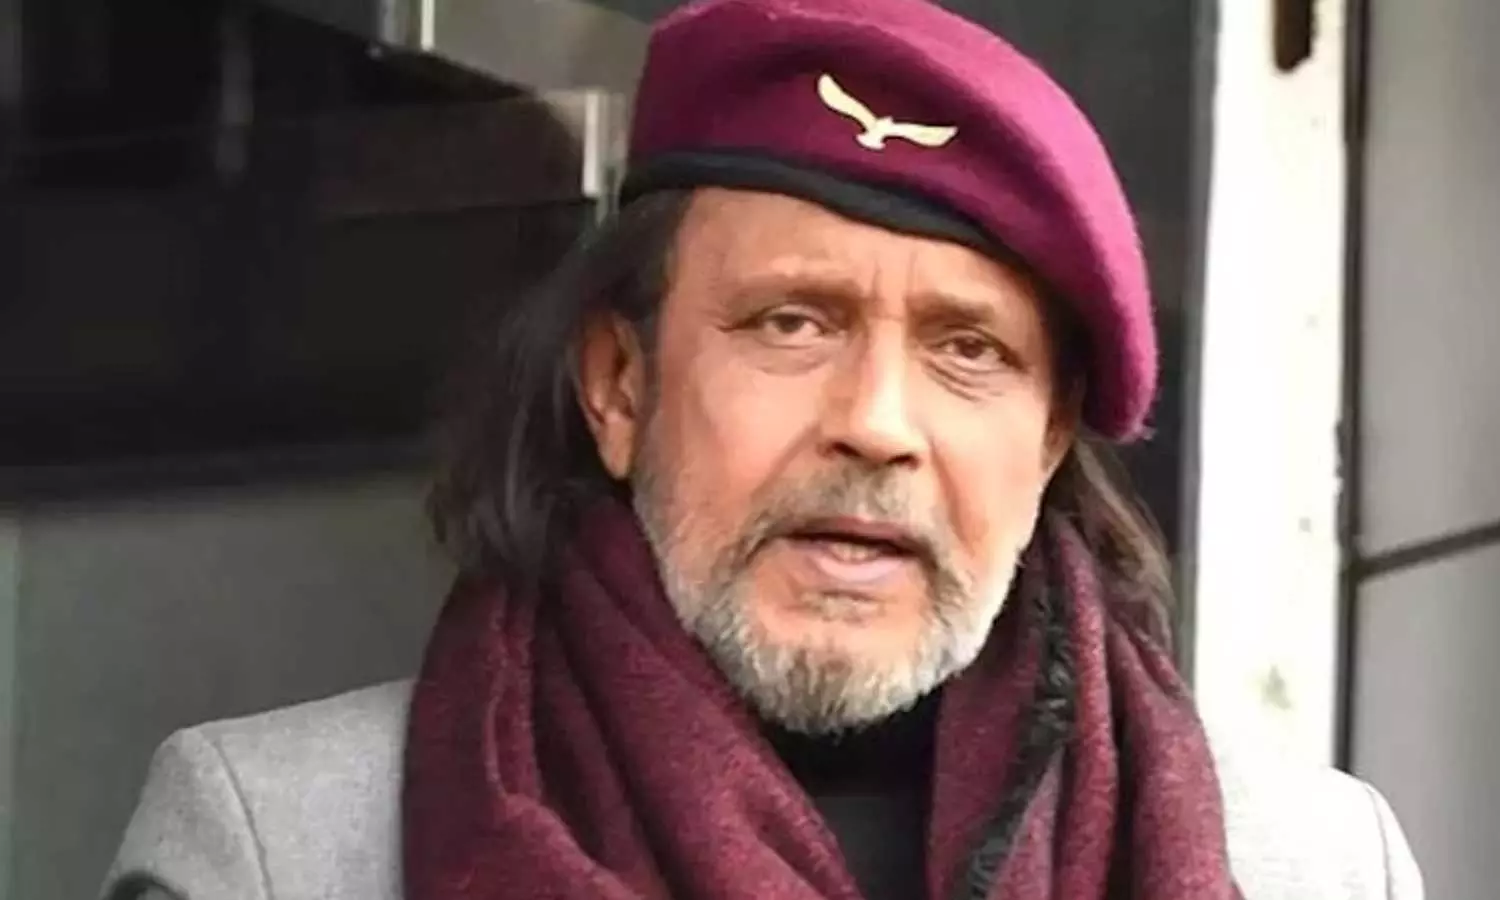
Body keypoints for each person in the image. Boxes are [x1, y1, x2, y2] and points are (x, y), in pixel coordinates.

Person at [100, 0, 1423, 898]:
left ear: (1047, 442)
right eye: (794, 323)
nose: (877, 423)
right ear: (621, 387)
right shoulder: (281, 846)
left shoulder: (1315, 866)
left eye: (969, 350)